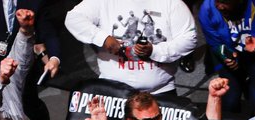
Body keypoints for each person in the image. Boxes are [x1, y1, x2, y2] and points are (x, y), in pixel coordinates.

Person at [65, 0, 198, 94]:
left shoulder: (171, 3)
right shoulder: (102, 1)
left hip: (160, 91)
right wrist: (103, 38)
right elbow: (73, 18)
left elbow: (189, 38)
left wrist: (155, 51)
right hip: (113, 92)